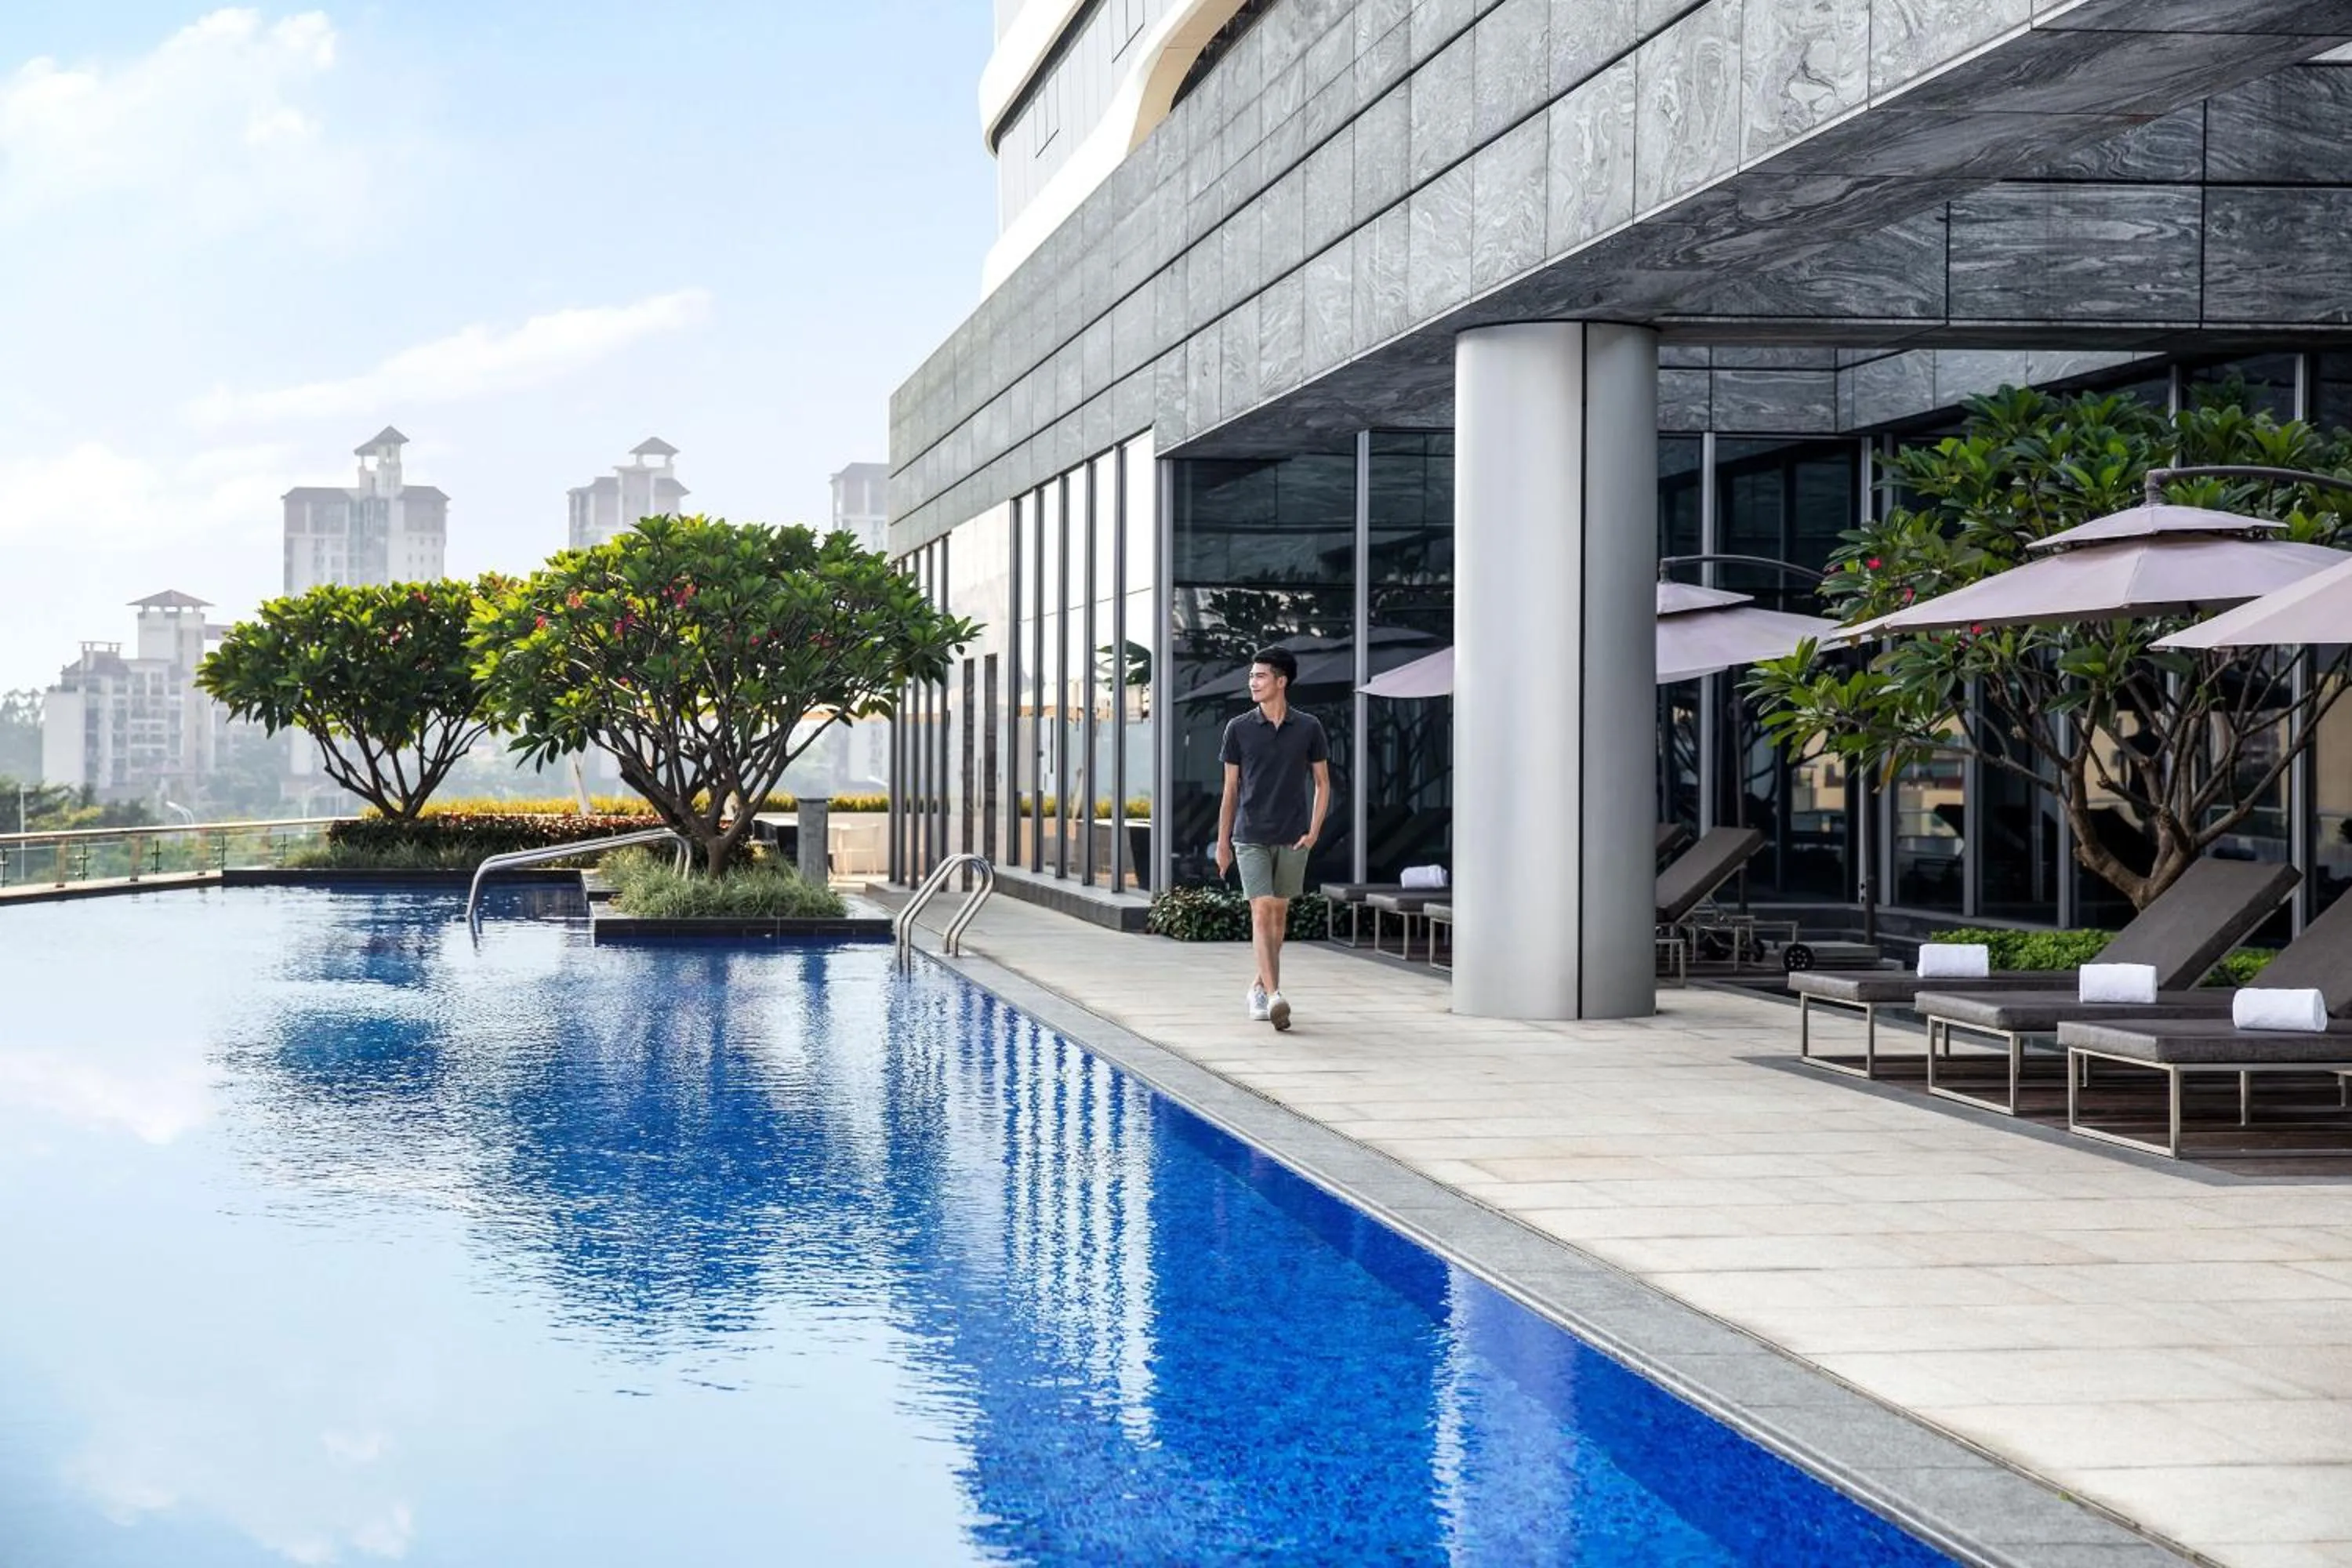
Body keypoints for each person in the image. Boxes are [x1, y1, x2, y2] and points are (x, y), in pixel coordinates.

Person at [1215, 646, 1331, 1030]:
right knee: (1261, 911)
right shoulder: (1239, 728)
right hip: (1249, 834)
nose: (1253, 682)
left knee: (1279, 918)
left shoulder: (1309, 727)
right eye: (1251, 676)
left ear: (1281, 681)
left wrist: (1314, 831)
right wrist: (1223, 843)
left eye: (1260, 676)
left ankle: (1257, 987)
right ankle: (1276, 994)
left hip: (1293, 836)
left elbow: (1322, 783)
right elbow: (1230, 791)